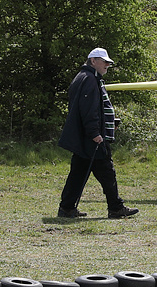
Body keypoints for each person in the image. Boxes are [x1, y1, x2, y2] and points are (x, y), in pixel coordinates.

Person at [58, 48, 138, 219]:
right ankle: (116, 208)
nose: (107, 65)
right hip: (92, 138)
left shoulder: (84, 77)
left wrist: (107, 124)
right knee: (107, 172)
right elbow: (89, 110)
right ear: (93, 61)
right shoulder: (89, 79)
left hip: (85, 137)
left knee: (78, 173)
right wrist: (95, 132)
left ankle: (66, 208)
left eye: (109, 62)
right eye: (104, 61)